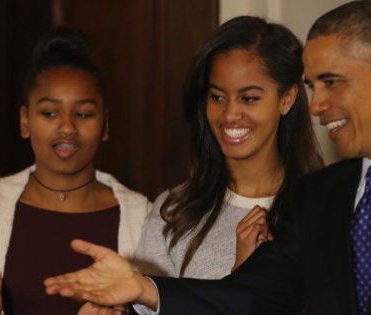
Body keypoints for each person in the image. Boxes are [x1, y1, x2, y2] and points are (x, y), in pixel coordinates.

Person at [44, 1, 371, 314]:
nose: (316, 106)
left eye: (332, 83)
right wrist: (144, 289)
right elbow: (252, 296)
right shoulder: (319, 195)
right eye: (312, 86)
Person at [0, 27, 150, 315]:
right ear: (25, 121)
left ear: (105, 126)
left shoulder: (144, 220)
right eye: (49, 113)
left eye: (83, 114)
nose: (67, 127)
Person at [133, 15, 323, 280]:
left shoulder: (324, 209)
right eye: (218, 97)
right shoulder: (175, 211)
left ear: (286, 98)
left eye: (249, 98)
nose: (230, 114)